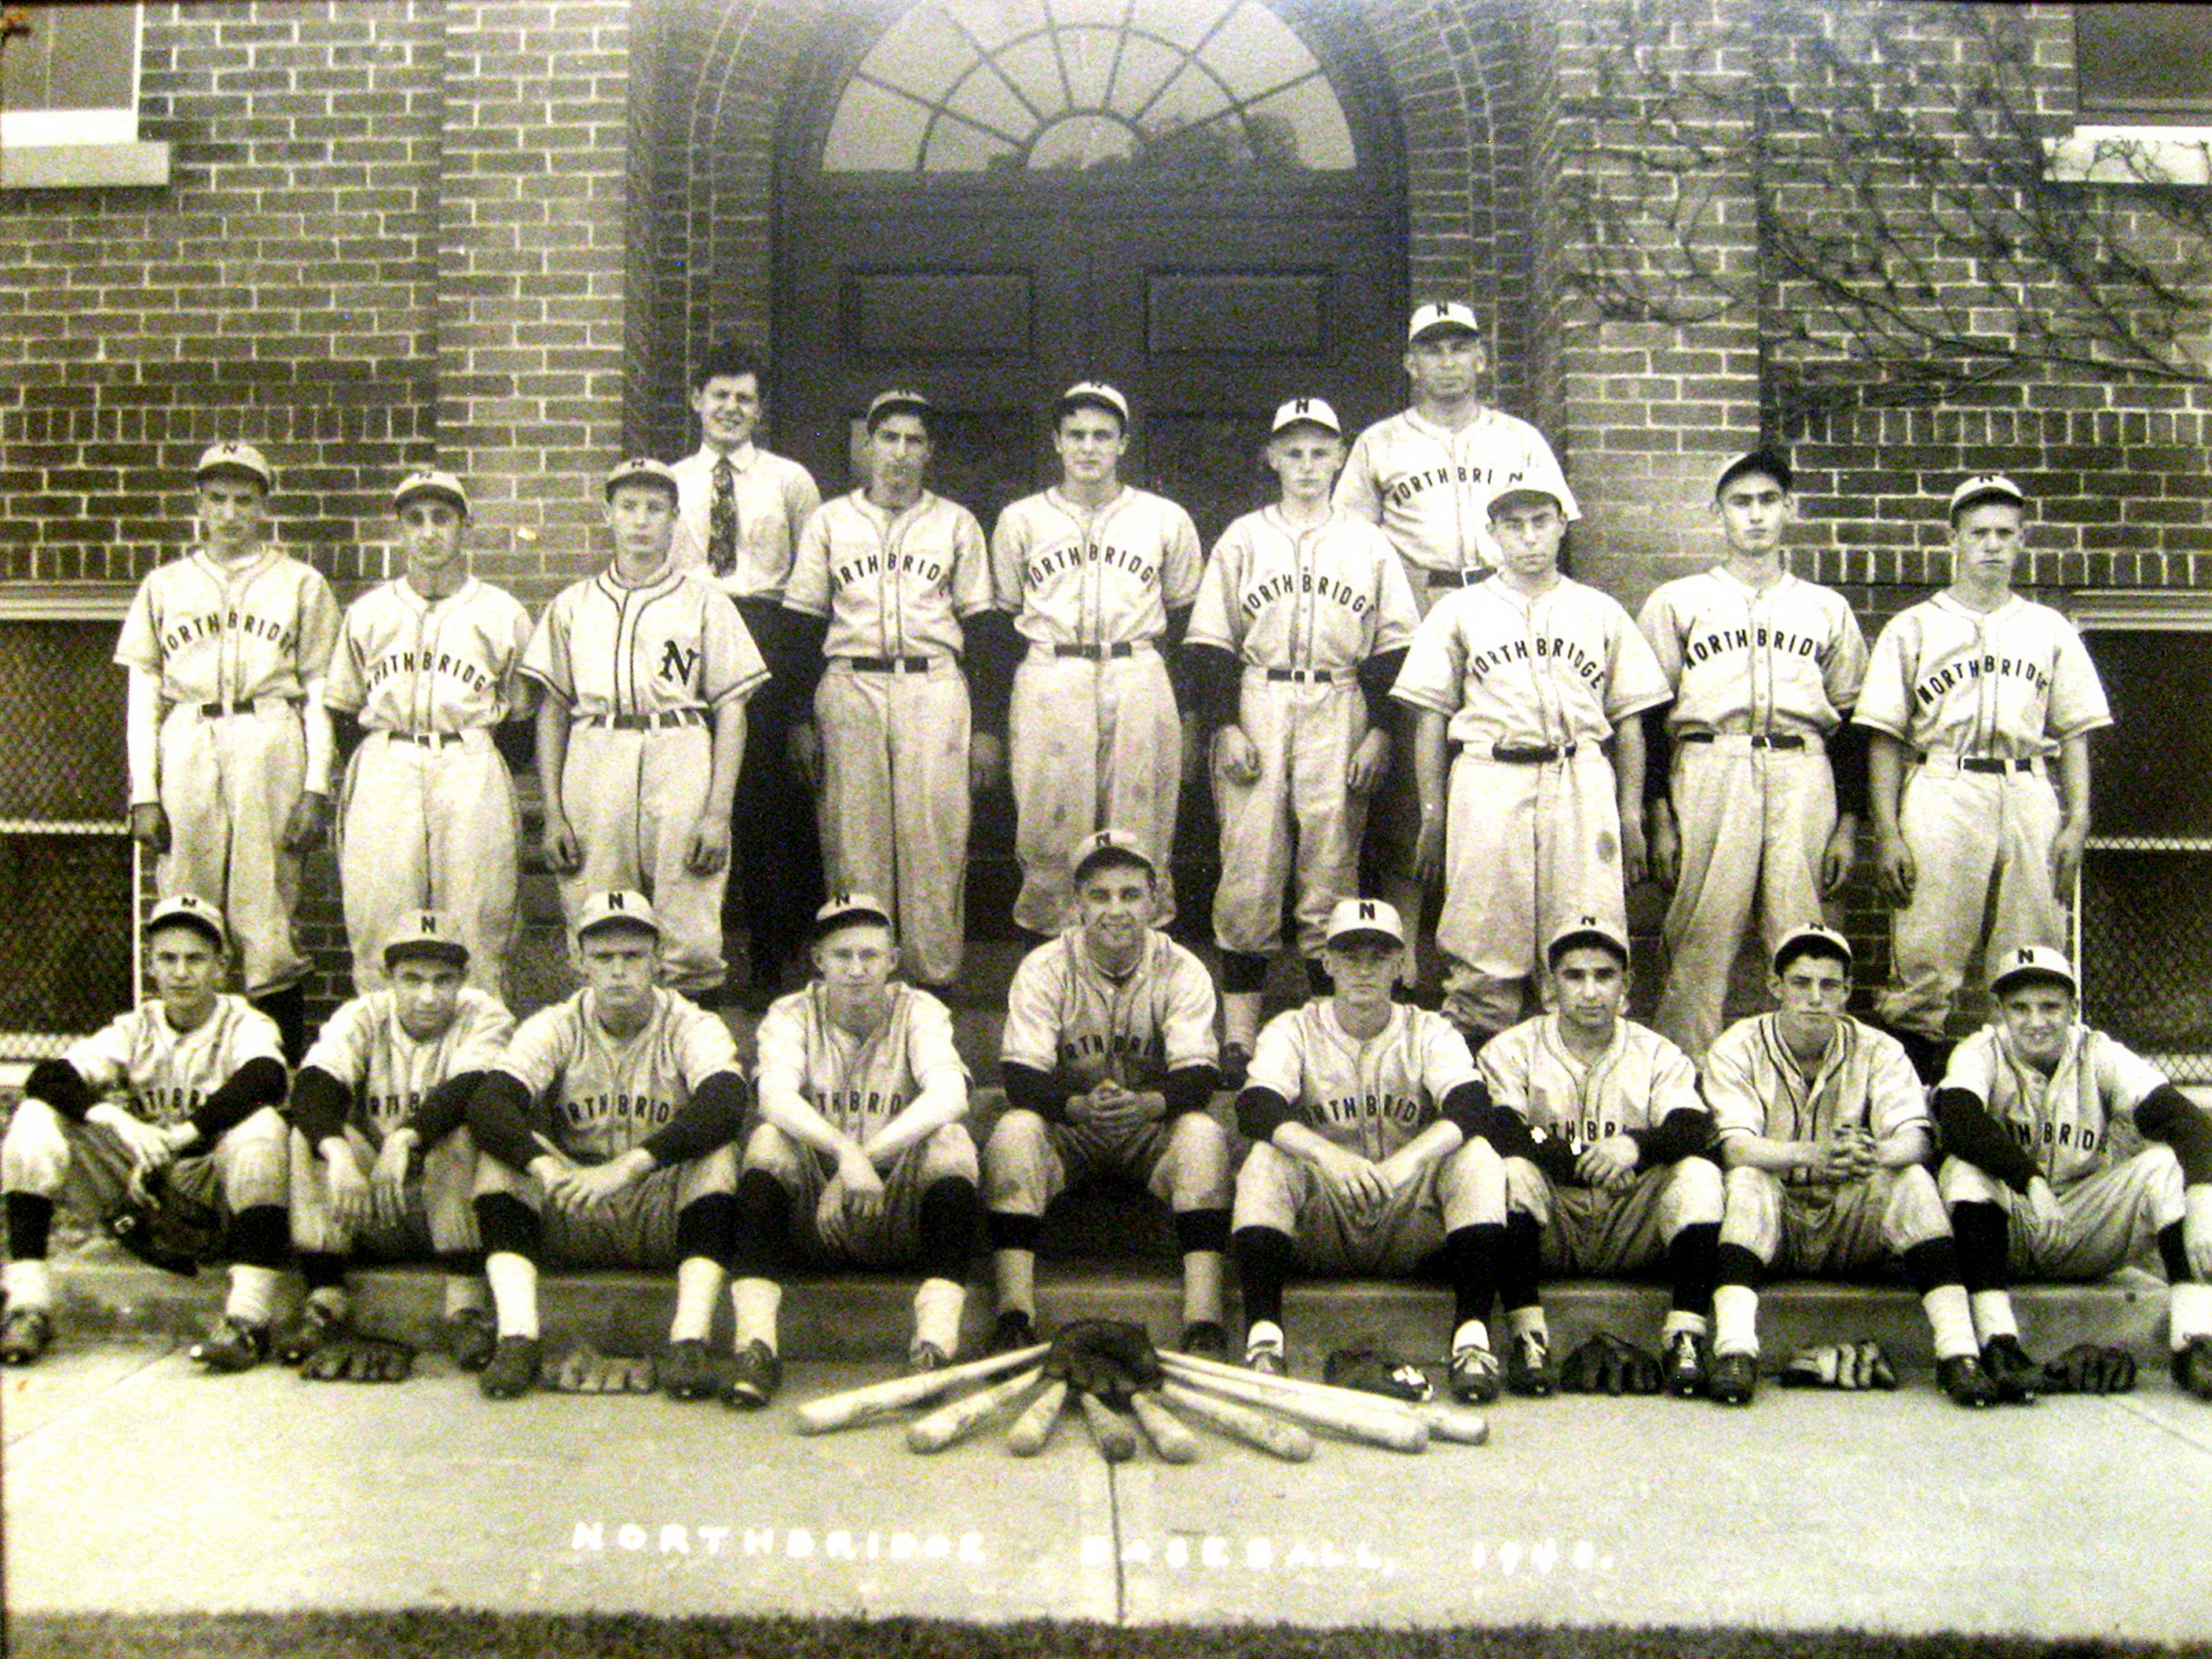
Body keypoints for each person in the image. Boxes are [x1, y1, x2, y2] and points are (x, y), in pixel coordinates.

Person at [1334, 302, 1575, 978]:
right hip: (1417, 608)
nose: (1447, 362)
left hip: (1504, 608)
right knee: (1410, 788)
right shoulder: (1380, 443)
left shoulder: (1520, 440)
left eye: (1459, 347)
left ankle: (1493, 957)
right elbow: (1350, 542)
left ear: (1481, 358)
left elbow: (1559, 530)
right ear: (1410, 363)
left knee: (1493, 767)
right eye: (1432, 349)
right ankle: (1406, 956)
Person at [1185, 397, 1419, 1076]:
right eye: (1294, 452)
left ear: (1341, 456)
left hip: (1339, 696)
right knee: (1249, 863)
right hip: (1259, 695)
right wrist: (1226, 723)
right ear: (1272, 458)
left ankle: (1325, 1031)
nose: (1308, 465)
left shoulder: (1368, 543)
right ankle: (1239, 1038)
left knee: (1331, 863)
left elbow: (1394, 648)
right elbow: (1210, 641)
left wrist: (1380, 732)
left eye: (1320, 452)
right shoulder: (1243, 538)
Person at [1393, 474, 1671, 1042]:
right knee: (1482, 942)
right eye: (1513, 525)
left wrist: (1631, 813)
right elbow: (1430, 719)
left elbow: (1630, 721)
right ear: (1493, 533)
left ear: (1562, 526)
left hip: (1580, 773)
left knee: (1587, 934)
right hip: (1489, 774)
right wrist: (1432, 814)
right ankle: (1478, 1080)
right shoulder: (1460, 610)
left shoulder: (1599, 610)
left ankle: (1579, 1080)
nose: (1528, 537)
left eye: (1540, 522)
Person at [1856, 474, 2111, 1063]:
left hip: (2028, 785)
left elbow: (2076, 732)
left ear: (2022, 540)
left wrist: (2077, 821)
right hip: (1943, 783)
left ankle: (2023, 1096)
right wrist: (1888, 831)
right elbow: (1885, 738)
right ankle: (1914, 1096)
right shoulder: (1914, 626)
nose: (1992, 545)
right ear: (1953, 539)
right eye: (1978, 533)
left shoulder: (2048, 628)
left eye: (2004, 533)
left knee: (2033, 952)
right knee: (1926, 953)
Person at [463, 892, 749, 1401]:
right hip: (575, 1198)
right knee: (499, 1162)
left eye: (633, 956)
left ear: (658, 962)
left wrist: (632, 1165)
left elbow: (726, 1102)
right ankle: (518, 1338)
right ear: (579, 962)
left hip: (657, 1203)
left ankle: (689, 1341)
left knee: (718, 1157)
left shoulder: (691, 1023)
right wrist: (544, 1167)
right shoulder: (554, 1024)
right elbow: (490, 1103)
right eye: (603, 957)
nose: (619, 972)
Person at [1702, 925, 1997, 1408]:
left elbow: (1916, 1139)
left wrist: (1873, 1154)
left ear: (1846, 991)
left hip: (1850, 1219)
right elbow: (1736, 1148)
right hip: (1776, 1222)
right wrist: (1813, 1153)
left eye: (1829, 985)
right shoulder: (1738, 1046)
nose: (1815, 998)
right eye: (1801, 983)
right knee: (1748, 1181)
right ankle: (1735, 1351)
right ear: (1775, 986)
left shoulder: (1878, 1048)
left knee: (1911, 1180)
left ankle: (1958, 1352)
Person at [1638, 449, 1870, 1058]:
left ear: (1789, 508)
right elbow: (1649, 718)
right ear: (1717, 513)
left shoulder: (1826, 608)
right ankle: (1681, 1089)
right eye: (1741, 502)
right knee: (1698, 937)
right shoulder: (1677, 601)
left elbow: (1851, 724)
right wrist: (1659, 816)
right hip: (1709, 765)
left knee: (1806, 940)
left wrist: (1849, 826)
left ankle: (1804, 1084)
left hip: (1802, 769)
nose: (1756, 515)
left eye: (1769, 500)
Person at [1230, 898, 1508, 1400]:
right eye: (1350, 955)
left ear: (1401, 964)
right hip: (1324, 1219)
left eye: (1379, 956)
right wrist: (1329, 1157)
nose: (1364, 969)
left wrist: (1406, 1163)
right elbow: (1256, 1107)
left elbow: (1471, 1106)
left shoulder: (1429, 1030)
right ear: (1326, 962)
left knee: (1478, 1158)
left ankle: (1472, 1342)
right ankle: (1264, 1342)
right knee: (1267, 1160)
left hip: (1409, 1219)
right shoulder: (1293, 1028)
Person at [115, 441, 341, 1056]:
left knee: (267, 914)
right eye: (217, 499)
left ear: (264, 505)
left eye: (244, 499)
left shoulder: (300, 583)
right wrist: (144, 792)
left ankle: (275, 1076)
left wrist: (315, 787)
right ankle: (185, 1069)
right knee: (185, 907)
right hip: (188, 735)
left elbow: (319, 693)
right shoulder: (165, 585)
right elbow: (142, 696)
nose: (231, 513)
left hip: (269, 734)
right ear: (200, 504)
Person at [1, 896, 290, 1371]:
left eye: (195, 959)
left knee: (263, 1128)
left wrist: (180, 1136)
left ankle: (247, 1319)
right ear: (152, 965)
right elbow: (49, 1076)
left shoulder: (244, 1021)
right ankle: (28, 1305)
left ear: (221, 967)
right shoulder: (137, 1026)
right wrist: (116, 1120)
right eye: (168, 959)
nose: (181, 973)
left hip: (212, 1187)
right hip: (143, 1191)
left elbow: (265, 1077)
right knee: (36, 1115)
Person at [782, 389, 1010, 988]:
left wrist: (988, 727)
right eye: (889, 438)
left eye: (914, 440)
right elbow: (802, 625)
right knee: (853, 843)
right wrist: (798, 719)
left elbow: (984, 630)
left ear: (929, 451)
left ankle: (933, 983)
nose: (901, 452)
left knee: (935, 838)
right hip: (850, 683)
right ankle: (863, 981)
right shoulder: (830, 520)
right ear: (868, 445)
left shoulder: (955, 523)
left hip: (933, 683)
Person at [723, 894, 981, 1406]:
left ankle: (934, 1347)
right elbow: (774, 1097)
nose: (857, 969)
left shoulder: (920, 1010)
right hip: (814, 1216)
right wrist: (846, 1154)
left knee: (951, 1141)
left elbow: (951, 1094)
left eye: (870, 955)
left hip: (895, 1209)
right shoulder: (790, 1013)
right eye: (843, 955)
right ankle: (756, 1346)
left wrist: (862, 1162)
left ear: (893, 959)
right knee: (769, 1140)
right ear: (818, 960)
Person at [525, 458, 767, 998]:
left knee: (689, 923)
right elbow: (553, 711)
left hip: (678, 748)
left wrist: (717, 813)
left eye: (655, 508)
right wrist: (553, 813)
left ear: (675, 519)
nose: (640, 520)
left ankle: (689, 1042)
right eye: (628, 506)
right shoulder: (572, 605)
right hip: (596, 752)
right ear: (607, 514)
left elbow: (732, 710)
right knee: (597, 916)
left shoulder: (706, 602)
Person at [983, 831, 1230, 1357]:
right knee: (1013, 1131)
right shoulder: (1045, 966)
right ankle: (1014, 1315)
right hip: (1070, 1129)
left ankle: (1204, 1322)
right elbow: (1019, 1074)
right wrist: (1075, 1107)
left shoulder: (1183, 968)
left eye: (1130, 894)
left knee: (1204, 1135)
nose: (1115, 909)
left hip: (1150, 1129)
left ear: (1155, 901)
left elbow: (1199, 1075)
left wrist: (1149, 1105)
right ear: (1077, 903)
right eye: (1100, 895)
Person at [1933, 947, 2212, 1402]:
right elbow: (1959, 1121)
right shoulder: (1980, 1051)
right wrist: (2032, 1183)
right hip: (2007, 1226)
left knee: (2165, 1165)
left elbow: (2186, 1121)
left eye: (2050, 1007)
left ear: (2073, 1009)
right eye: (2020, 1008)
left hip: (2081, 1224)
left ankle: (2194, 1341)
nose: (2036, 1021)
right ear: (1999, 1010)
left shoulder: (2098, 1052)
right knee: (1964, 1169)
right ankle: (1999, 1341)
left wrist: (2202, 1204)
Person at [1475, 918, 1723, 1397]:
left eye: (1604, 975)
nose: (1590, 991)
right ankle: (1528, 1337)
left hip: (1632, 1221)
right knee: (1508, 1171)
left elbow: (1692, 1128)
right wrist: (1584, 1158)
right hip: (1554, 1222)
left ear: (1626, 984)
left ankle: (1686, 1336)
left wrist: (1635, 1147)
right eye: (1575, 976)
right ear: (1550, 985)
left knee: (1699, 1175)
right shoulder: (1512, 1048)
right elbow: (1505, 1130)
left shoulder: (1656, 1052)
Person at [991, 382, 1203, 934]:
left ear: (1123, 443)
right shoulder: (1020, 519)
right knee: (1048, 825)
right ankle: (1052, 961)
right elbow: (1001, 622)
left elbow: (1185, 623)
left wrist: (1189, 712)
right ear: (1057, 441)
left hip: (1136, 667)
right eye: (1077, 434)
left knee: (1141, 827)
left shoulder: (1164, 518)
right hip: (1052, 669)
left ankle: (1141, 960)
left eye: (1102, 435)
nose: (1089, 447)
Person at [328, 469, 533, 997]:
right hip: (387, 760)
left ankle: (481, 1045)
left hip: (469, 761)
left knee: (479, 920)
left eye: (442, 518)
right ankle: (382, 1045)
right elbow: (343, 711)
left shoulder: (501, 612)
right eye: (415, 520)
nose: (428, 532)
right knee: (378, 918)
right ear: (399, 529)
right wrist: (387, 757)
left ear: (465, 526)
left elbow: (522, 723)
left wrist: (474, 758)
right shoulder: (368, 613)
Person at [282, 912, 513, 1378]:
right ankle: (325, 1296)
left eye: (442, 980)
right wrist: (339, 1153)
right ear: (388, 978)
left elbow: (470, 1088)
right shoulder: (363, 1014)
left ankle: (465, 1307)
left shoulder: (486, 1015)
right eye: (412, 979)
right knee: (312, 1136)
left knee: (462, 1130)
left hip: (448, 1203)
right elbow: (314, 1084)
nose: (428, 995)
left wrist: (406, 1137)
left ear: (463, 979)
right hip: (375, 1198)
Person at [668, 340, 825, 998]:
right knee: (694, 790)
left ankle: (769, 957)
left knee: (764, 797)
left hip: (767, 631)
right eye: (720, 395)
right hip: (688, 631)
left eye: (745, 398)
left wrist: (797, 696)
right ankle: (689, 959)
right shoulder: (671, 481)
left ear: (759, 410)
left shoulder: (790, 480)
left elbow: (811, 581)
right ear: (696, 401)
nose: (731, 408)